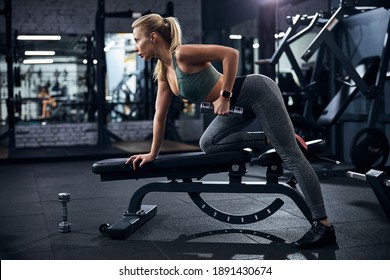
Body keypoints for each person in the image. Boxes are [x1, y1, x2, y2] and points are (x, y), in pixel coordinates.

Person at [126, 13, 336, 249]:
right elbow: (159, 115)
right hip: (239, 104)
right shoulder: (164, 72)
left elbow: (230, 54)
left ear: (153, 37)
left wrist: (225, 96)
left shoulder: (181, 54)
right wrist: (152, 154)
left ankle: (324, 225)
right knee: (209, 143)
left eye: (136, 40)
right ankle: (272, 138)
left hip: (256, 91)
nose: (136, 47)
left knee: (291, 157)